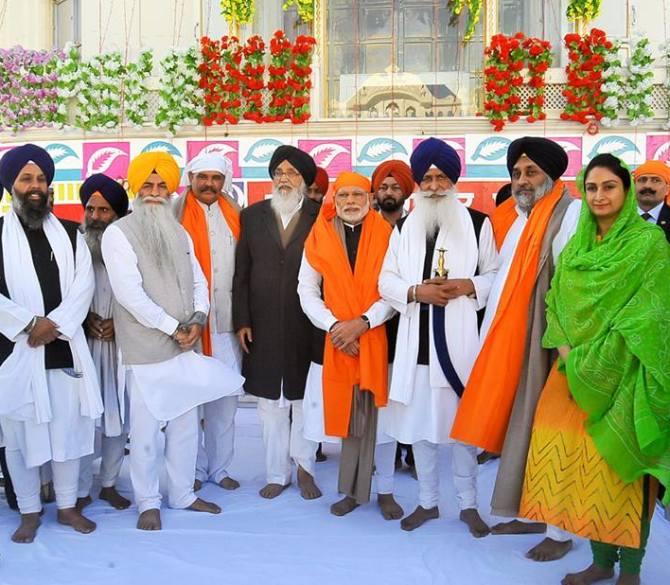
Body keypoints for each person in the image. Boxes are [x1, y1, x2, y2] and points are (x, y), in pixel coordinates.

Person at [518, 153, 670, 585]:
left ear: (624, 191)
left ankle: (632, 571)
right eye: (591, 187)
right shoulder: (579, 244)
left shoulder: (648, 244)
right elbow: (556, 301)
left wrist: (593, 360)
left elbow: (649, 314)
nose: (599, 195)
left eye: (609, 187)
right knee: (585, 469)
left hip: (628, 375)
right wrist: (569, 353)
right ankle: (602, 563)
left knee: (623, 470)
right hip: (572, 372)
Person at [451, 136, 581, 561]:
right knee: (523, 433)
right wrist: (468, 285)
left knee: (551, 435)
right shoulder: (523, 220)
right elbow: (504, 281)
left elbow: (573, 287)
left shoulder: (571, 214)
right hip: (517, 344)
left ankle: (560, 532)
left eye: (531, 171)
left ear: (552, 174)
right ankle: (533, 513)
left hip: (551, 347)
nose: (523, 180)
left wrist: (563, 347)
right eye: (517, 173)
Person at [101, 151, 244, 531]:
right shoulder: (119, 233)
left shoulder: (178, 230)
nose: (154, 192)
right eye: (147, 185)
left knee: (184, 423)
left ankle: (182, 493)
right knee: (146, 430)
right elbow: (129, 294)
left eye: (161, 185)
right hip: (147, 349)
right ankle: (148, 500)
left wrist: (198, 318)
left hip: (184, 344)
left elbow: (198, 280)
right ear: (135, 187)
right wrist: (172, 327)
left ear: (170, 190)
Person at [378, 137, 498, 535]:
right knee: (420, 431)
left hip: (459, 345)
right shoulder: (406, 227)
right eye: (426, 178)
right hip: (417, 346)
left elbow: (496, 277)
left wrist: (468, 285)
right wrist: (416, 292)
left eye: (440, 177)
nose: (433, 185)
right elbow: (386, 281)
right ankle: (427, 503)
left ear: (453, 181)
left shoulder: (479, 223)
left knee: (462, 432)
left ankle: (468, 506)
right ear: (417, 182)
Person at [0, 144, 102, 543]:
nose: (36, 186)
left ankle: (66, 506)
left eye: (41, 178)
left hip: (62, 347)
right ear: (11, 186)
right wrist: (29, 323)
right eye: (27, 179)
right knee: (19, 437)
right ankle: (28, 510)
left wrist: (52, 325)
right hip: (15, 352)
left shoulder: (72, 234)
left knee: (69, 433)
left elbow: (83, 287)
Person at [298, 171, 402, 520]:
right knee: (348, 417)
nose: (351, 202)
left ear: (370, 199)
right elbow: (306, 290)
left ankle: (385, 490)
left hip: (378, 339)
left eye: (358, 195)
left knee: (383, 423)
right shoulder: (320, 235)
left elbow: (394, 288)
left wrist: (364, 323)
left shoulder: (389, 234)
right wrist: (335, 327)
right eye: (343, 196)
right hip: (336, 342)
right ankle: (352, 492)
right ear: (334, 200)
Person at [232, 145, 322, 500]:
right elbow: (242, 271)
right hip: (263, 321)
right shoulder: (252, 216)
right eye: (279, 172)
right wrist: (242, 319)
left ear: (304, 180)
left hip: (307, 321)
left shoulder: (320, 216)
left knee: (303, 399)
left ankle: (305, 469)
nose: (284, 178)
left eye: (292, 173)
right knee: (269, 403)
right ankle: (275, 473)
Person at [175, 151, 243, 493]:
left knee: (225, 401)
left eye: (216, 178)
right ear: (191, 179)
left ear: (224, 182)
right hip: (189, 325)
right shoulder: (174, 213)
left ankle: (220, 467)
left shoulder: (236, 215)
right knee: (190, 404)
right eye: (202, 177)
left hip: (228, 323)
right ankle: (194, 470)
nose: (209, 184)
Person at [76, 173, 131, 511]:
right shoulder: (73, 245)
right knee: (83, 419)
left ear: (119, 215)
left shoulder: (130, 248)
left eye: (105, 210)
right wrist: (85, 320)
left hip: (121, 346)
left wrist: (119, 324)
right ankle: (80, 489)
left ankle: (109, 483)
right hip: (81, 345)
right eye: (91, 209)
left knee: (118, 419)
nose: (96, 217)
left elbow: (144, 295)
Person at [370, 159, 416, 474]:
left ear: (405, 191)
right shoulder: (364, 225)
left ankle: (409, 450)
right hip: (370, 320)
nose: (389, 192)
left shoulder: (415, 227)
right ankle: (377, 453)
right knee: (377, 390)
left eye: (395, 187)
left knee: (406, 388)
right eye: (384, 186)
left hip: (406, 318)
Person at [632, 160, 670, 243]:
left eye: (656, 180)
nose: (647, 185)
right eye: (642, 180)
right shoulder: (618, 217)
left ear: (667, 189)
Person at [372, 160, 414, 226]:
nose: (389, 193)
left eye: (396, 188)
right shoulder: (367, 225)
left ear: (405, 191)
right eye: (383, 188)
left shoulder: (416, 224)